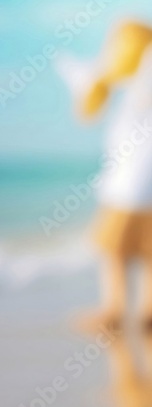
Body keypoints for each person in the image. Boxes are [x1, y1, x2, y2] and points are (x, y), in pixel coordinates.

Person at [56, 20, 152, 333]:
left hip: (127, 188)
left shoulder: (139, 80)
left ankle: (114, 310)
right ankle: (148, 311)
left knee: (114, 251)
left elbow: (88, 109)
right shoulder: (136, 83)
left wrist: (90, 77)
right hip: (140, 186)